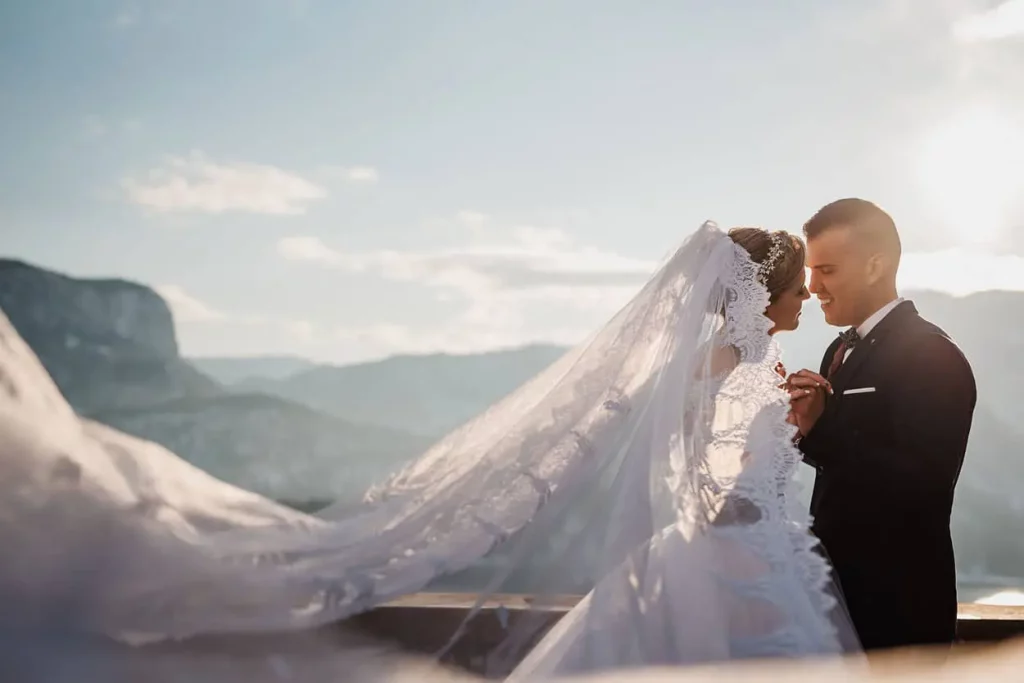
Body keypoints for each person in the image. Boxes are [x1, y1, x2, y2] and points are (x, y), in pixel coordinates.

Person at [0, 221, 858, 678]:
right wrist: (802, 428)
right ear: (758, 295)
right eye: (794, 291)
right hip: (735, 562)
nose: (804, 303)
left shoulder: (733, 362)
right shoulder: (732, 362)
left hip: (735, 554)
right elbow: (710, 467)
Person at [787, 198, 977, 653]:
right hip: (833, 598)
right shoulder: (837, 350)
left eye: (827, 270)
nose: (812, 287)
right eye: (810, 271)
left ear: (875, 265)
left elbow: (923, 483)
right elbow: (839, 463)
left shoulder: (933, 354)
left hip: (896, 610)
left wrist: (821, 429)